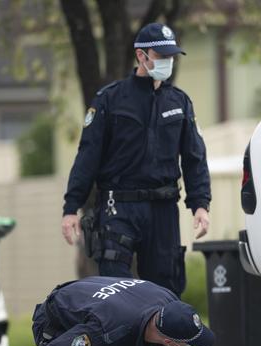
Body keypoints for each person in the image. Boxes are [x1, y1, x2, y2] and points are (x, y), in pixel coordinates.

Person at [61, 22, 211, 296]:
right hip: (119, 207)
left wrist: (200, 204)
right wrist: (72, 207)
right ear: (141, 56)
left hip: (163, 208)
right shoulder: (110, 99)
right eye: (162, 56)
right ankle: (121, 339)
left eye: (171, 56)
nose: (168, 62)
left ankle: (157, 341)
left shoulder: (179, 102)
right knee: (116, 292)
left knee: (165, 291)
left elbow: (194, 158)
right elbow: (88, 156)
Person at [29, 276, 215, 346]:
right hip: (55, 320)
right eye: (187, 344)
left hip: (103, 308)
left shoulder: (170, 302)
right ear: (170, 342)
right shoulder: (108, 332)